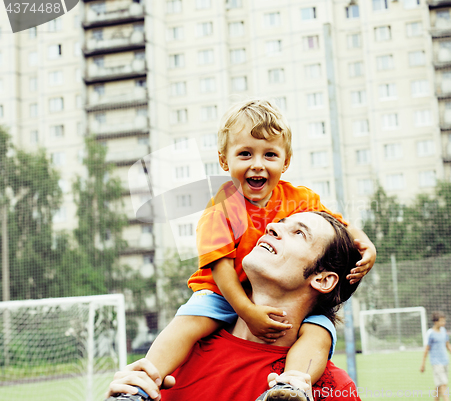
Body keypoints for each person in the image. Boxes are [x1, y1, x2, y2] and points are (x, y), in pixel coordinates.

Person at [142, 99, 376, 400]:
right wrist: (247, 311)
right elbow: (221, 267)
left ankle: (290, 386)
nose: (257, 164)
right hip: (220, 292)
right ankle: (144, 381)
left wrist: (364, 242)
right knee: (188, 323)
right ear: (224, 161)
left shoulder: (298, 199)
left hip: (264, 305)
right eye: (245, 154)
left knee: (320, 329)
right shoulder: (222, 208)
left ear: (285, 161)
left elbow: (338, 226)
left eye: (270, 154)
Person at [107, 211, 363, 401]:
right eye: (280, 223)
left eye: (299, 233)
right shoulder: (172, 357)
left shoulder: (330, 388)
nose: (272, 226)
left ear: (323, 279)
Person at [420, 311, 451, 401]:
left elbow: (447, 345)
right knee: (443, 385)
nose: (444, 323)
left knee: (439, 385)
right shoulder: (430, 333)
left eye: (444, 321)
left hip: (445, 361)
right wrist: (423, 364)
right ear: (435, 322)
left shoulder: (444, 331)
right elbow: (426, 349)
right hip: (436, 363)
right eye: (441, 321)